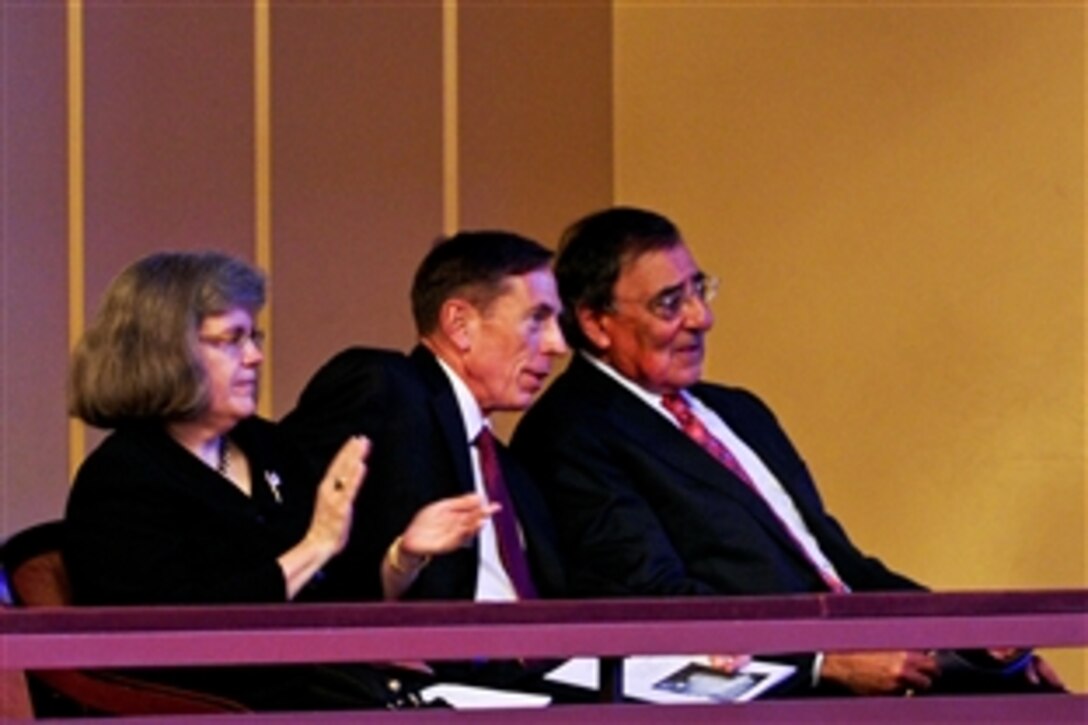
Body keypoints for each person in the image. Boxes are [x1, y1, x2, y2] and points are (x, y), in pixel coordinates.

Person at [511, 206, 1061, 697]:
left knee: (1038, 697)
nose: (701, 318)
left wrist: (968, 634)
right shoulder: (571, 433)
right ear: (595, 322)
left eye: (700, 290)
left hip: (871, 659)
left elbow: (837, 564)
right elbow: (655, 604)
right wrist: (822, 664)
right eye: (670, 303)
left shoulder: (738, 411)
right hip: (775, 688)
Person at [63, 251, 444, 710]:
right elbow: (175, 636)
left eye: (254, 336)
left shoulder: (266, 445)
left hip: (325, 686)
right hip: (222, 707)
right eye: (231, 340)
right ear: (167, 354)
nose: (255, 356)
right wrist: (313, 548)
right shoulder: (122, 479)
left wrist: (402, 557)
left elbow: (329, 591)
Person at [280, 231, 571, 691]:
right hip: (431, 684)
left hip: (546, 678)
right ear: (460, 324)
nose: (556, 344)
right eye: (537, 320)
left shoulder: (510, 469)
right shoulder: (383, 386)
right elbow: (294, 537)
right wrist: (398, 563)